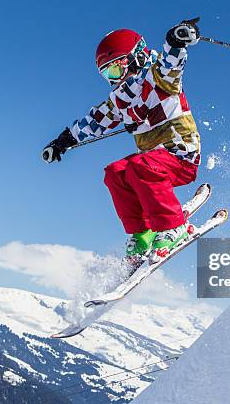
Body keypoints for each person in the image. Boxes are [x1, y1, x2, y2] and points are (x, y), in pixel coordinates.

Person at [43, 18, 202, 269]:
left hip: (180, 155)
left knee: (140, 166)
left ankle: (175, 226)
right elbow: (94, 121)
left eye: (116, 69)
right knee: (115, 173)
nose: (113, 78)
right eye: (107, 73)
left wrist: (176, 41)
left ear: (136, 57)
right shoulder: (120, 98)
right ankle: (143, 232)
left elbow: (171, 65)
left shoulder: (158, 77)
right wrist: (63, 142)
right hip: (152, 162)